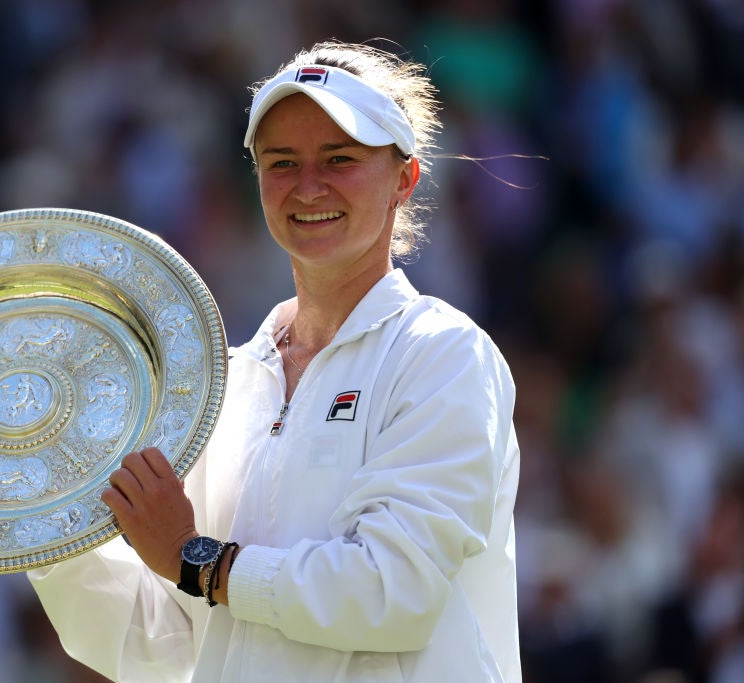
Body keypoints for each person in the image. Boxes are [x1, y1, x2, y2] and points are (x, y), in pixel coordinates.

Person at [28, 40, 521, 682]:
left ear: (405, 178)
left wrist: (194, 557)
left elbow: (392, 594)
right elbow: (166, 646)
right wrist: (42, 521)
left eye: (339, 159)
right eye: (281, 162)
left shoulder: (443, 353)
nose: (308, 186)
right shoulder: (223, 385)